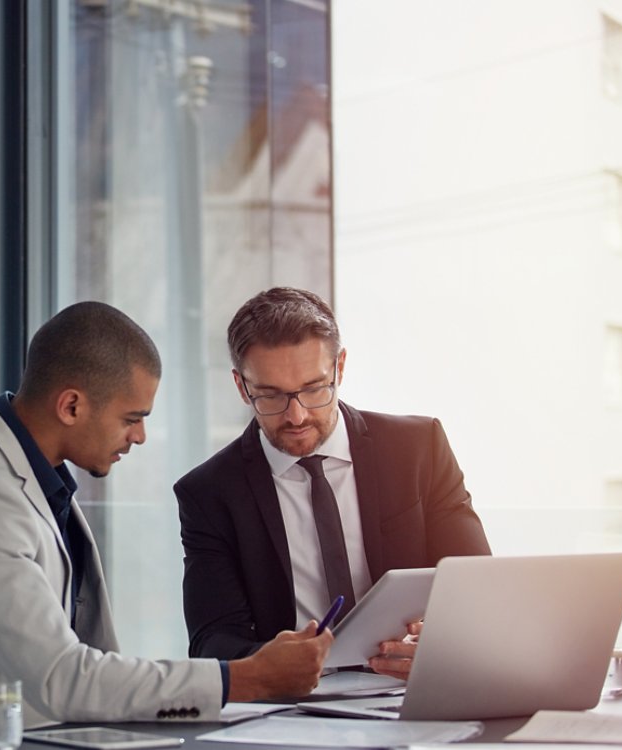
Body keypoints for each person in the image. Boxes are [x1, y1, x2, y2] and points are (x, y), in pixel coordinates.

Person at [0, 301, 332, 747]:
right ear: (71, 406)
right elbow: (62, 678)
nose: (139, 436)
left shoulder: (35, 481)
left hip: (54, 733)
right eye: (131, 418)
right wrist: (244, 679)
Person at [175, 287, 490, 678]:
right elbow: (212, 640)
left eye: (313, 389)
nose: (297, 416)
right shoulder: (208, 493)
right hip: (294, 707)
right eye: (271, 396)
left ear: (339, 368)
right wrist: (271, 661)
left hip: (414, 689)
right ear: (242, 387)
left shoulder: (418, 448)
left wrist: (443, 642)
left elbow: (480, 590)